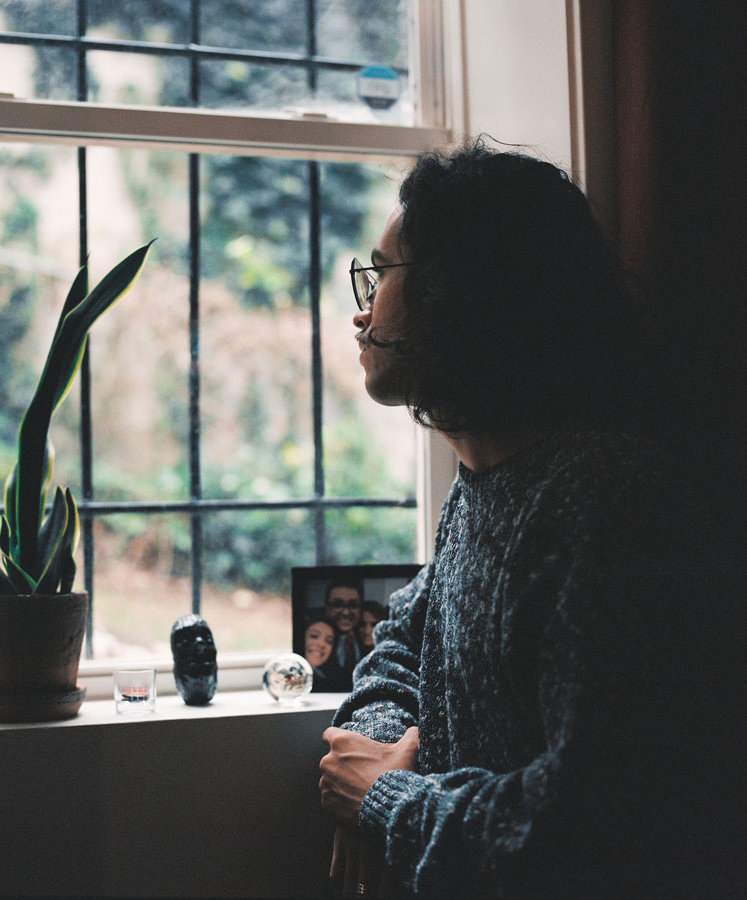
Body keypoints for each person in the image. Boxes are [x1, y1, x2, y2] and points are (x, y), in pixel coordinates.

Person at [317, 141, 741, 899]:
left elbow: (593, 823)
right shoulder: (481, 489)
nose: (362, 307)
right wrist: (383, 756)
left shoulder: (607, 502)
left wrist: (385, 801)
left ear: (459, 291)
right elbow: (396, 651)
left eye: (382, 274)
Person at [322, 577, 365, 690]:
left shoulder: (367, 636)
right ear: (327, 608)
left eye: (353, 605)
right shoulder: (316, 640)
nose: (346, 612)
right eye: (337, 604)